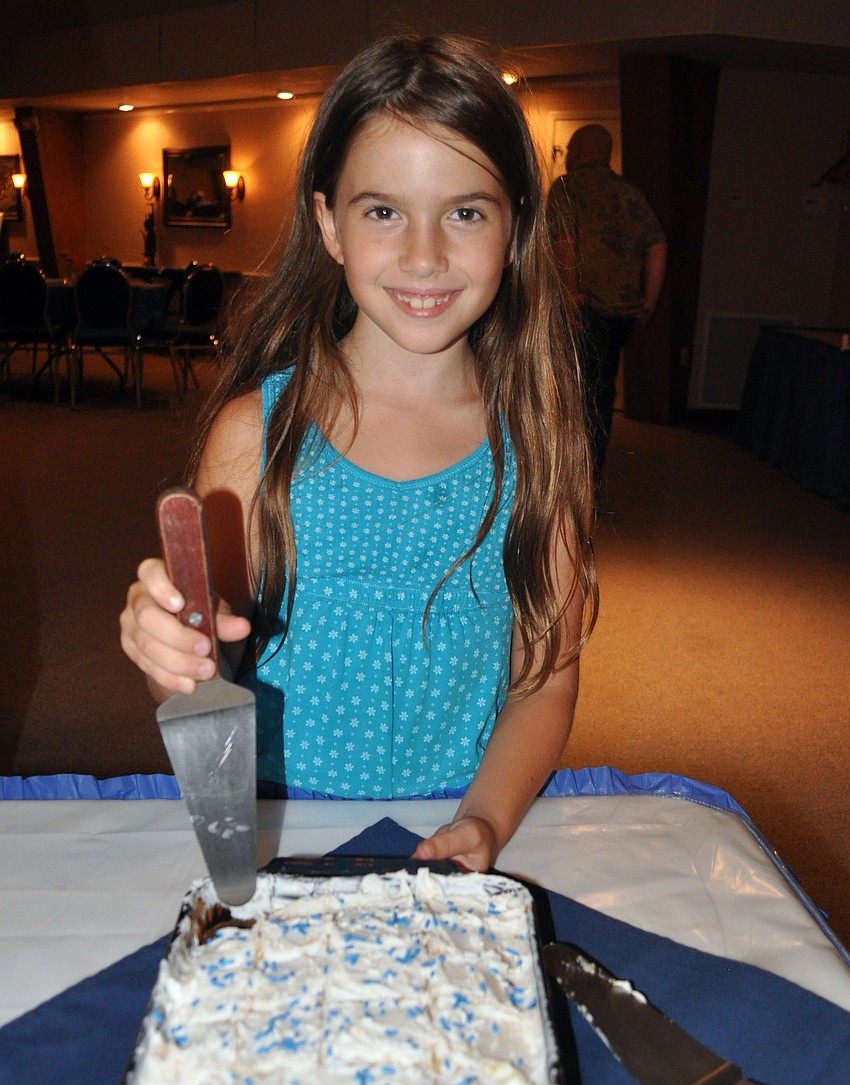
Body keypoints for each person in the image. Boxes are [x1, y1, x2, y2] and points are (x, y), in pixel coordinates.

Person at [120, 33, 598, 872]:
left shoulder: (543, 447)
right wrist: (171, 657)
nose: (424, 255)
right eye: (383, 211)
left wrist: (485, 821)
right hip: (282, 828)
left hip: (458, 819)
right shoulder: (256, 436)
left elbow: (545, 682)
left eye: (466, 212)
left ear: (516, 227)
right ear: (328, 225)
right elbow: (205, 678)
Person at [546, 123, 667, 484]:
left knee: (574, 393)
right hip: (622, 312)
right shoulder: (630, 193)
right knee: (601, 390)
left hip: (583, 308)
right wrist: (648, 303)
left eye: (570, 150)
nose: (568, 157)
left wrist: (569, 295)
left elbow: (564, 244)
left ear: (583, 150)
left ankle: (573, 476)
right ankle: (591, 472)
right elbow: (658, 247)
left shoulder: (567, 188)